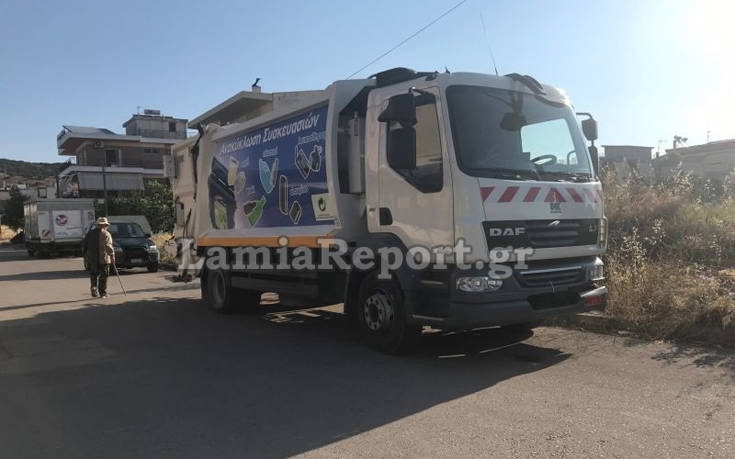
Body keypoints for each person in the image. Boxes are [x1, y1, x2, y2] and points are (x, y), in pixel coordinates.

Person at [83, 217, 116, 298]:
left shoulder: (90, 233)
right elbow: (108, 246)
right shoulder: (106, 234)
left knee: (94, 274)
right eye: (106, 225)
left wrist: (86, 255)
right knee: (104, 275)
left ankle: (94, 288)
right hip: (103, 258)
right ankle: (102, 292)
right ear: (105, 225)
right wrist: (112, 255)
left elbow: (84, 244)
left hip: (92, 258)